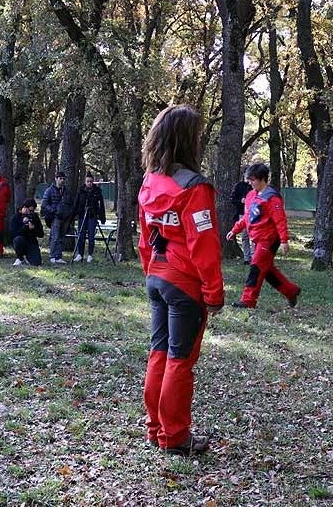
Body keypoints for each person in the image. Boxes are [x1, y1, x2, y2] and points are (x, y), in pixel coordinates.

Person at [137, 104, 224, 456]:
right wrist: (214, 293)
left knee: (159, 353)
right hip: (183, 283)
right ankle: (174, 436)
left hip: (157, 277)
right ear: (189, 140)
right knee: (179, 359)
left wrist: (152, 272)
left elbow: (145, 237)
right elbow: (204, 246)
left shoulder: (150, 182)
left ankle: (156, 428)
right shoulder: (194, 187)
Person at [227, 162, 301, 309]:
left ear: (262, 179)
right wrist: (234, 230)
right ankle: (291, 291)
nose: (250, 182)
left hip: (269, 240)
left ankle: (248, 301)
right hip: (257, 238)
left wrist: (284, 240)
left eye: (253, 179)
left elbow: (280, 220)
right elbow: (247, 218)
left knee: (256, 268)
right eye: (249, 179)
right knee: (266, 271)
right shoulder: (250, 196)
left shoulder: (272, 198)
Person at [72, 174, 106, 263]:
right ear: (85, 182)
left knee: (91, 236)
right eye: (88, 181)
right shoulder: (81, 191)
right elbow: (76, 203)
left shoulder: (97, 191)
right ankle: (80, 254)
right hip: (82, 215)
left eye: (91, 181)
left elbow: (101, 205)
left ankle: (90, 255)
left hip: (92, 216)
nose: (89, 183)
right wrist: (73, 215)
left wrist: (102, 217)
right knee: (81, 236)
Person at [41, 172, 74, 263]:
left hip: (65, 218)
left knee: (61, 237)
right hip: (55, 217)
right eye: (60, 178)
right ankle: (52, 256)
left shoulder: (67, 191)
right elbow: (44, 204)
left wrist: (69, 213)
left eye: (63, 178)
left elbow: (71, 203)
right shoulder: (49, 190)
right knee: (54, 237)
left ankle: (58, 256)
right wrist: (53, 210)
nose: (62, 180)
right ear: (56, 179)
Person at [9, 198, 45, 266]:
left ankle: (29, 258)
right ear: (24, 208)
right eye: (30, 210)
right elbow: (13, 234)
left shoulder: (34, 217)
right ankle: (20, 258)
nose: (31, 212)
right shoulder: (16, 217)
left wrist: (34, 228)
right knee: (18, 240)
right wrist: (25, 227)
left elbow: (41, 234)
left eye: (33, 211)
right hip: (20, 241)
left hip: (31, 242)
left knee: (36, 263)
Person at [230, 179, 253, 264]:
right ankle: (247, 258)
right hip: (242, 214)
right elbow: (232, 200)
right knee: (245, 236)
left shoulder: (254, 186)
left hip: (253, 214)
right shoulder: (238, 186)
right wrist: (240, 201)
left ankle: (254, 257)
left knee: (253, 236)